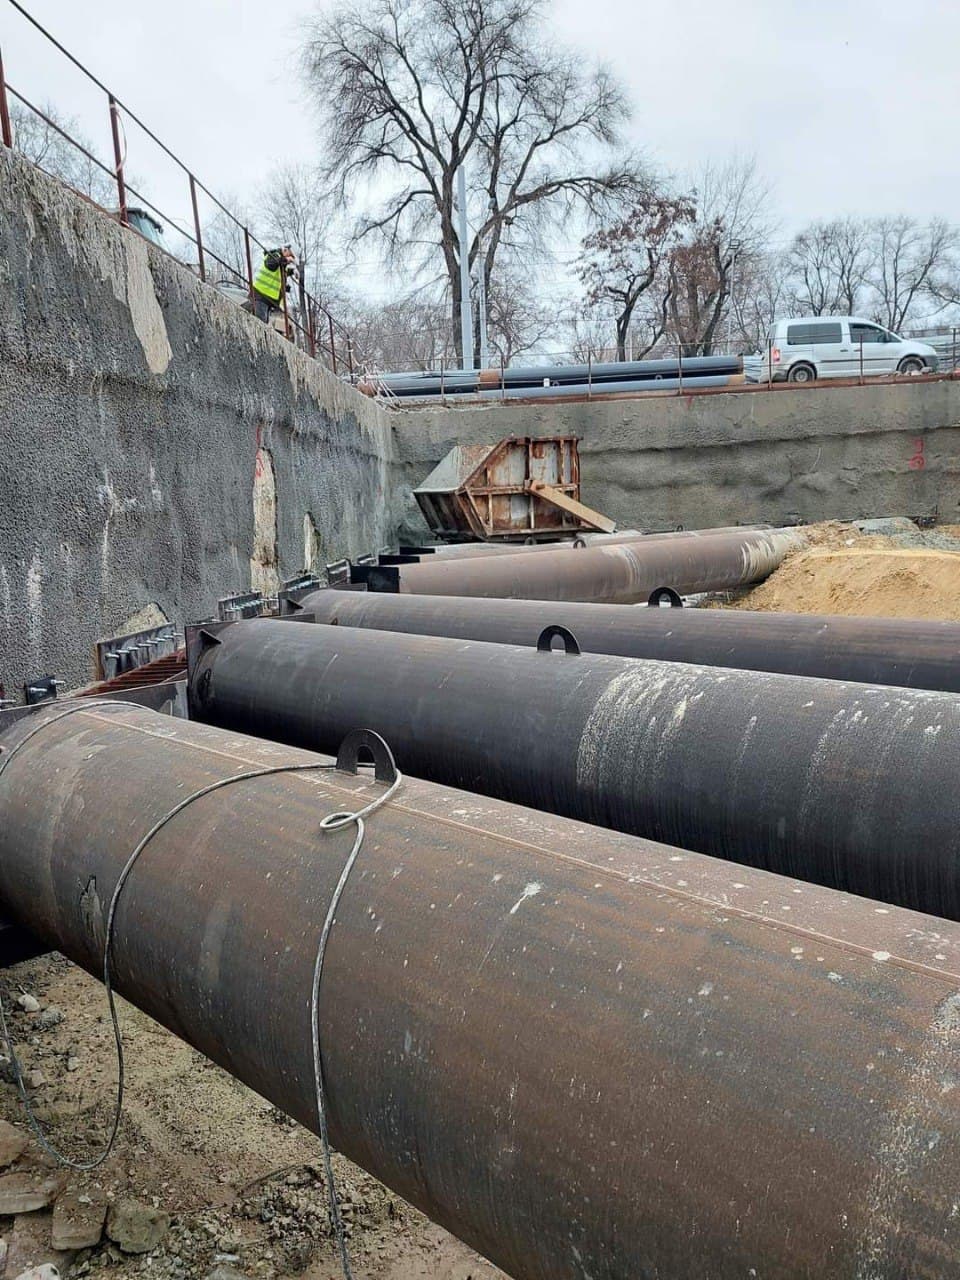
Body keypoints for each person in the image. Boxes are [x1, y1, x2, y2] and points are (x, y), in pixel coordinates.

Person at [251, 245, 297, 326]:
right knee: (260, 323)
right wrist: (286, 259)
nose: (291, 260)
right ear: (286, 250)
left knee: (263, 323)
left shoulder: (281, 263)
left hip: (268, 299)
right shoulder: (274, 255)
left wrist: (292, 272)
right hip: (261, 295)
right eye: (290, 256)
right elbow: (271, 264)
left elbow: (279, 276)